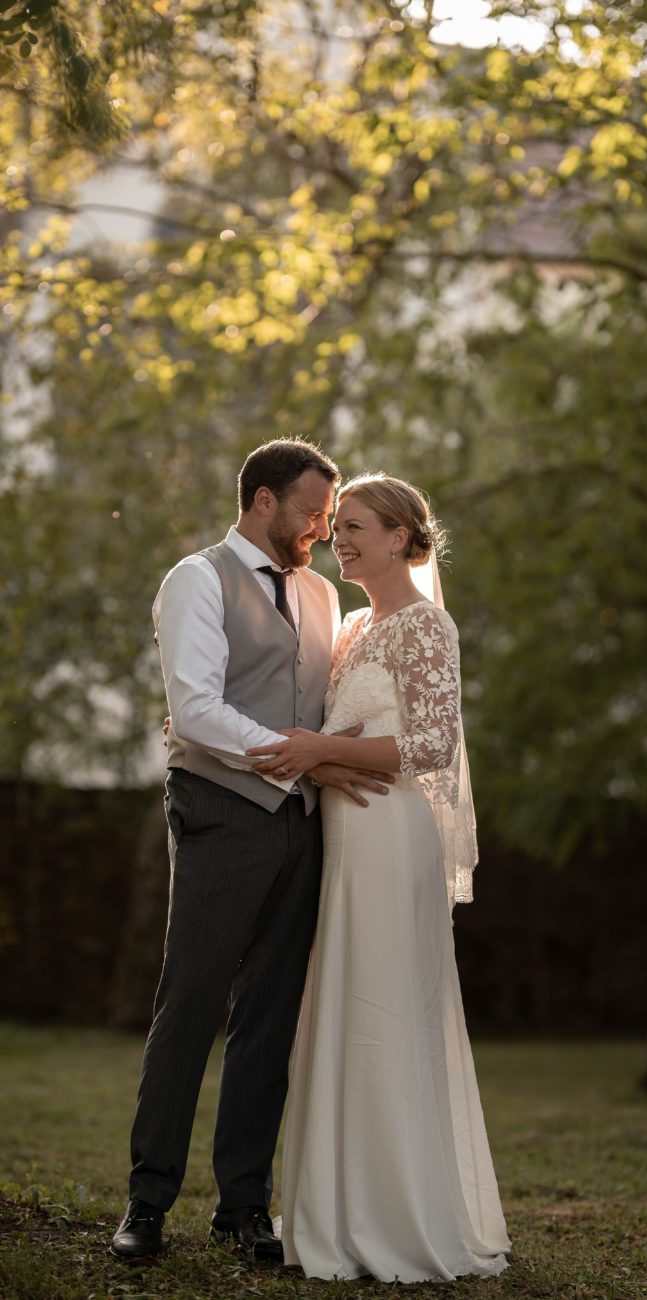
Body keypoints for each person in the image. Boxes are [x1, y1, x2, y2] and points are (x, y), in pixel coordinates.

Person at [110, 440, 395, 1265]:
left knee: (270, 1019)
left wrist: (325, 763)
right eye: (310, 512)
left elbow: (326, 712)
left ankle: (243, 1206)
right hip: (220, 813)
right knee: (190, 1005)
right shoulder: (196, 578)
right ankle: (147, 1200)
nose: (320, 528)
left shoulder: (315, 593)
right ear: (262, 501)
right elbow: (195, 710)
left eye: (327, 515)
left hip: (305, 824)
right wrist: (294, 753)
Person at [248, 473, 511, 1283]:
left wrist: (317, 749)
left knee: (387, 1006)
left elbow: (430, 747)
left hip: (395, 844)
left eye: (356, 526)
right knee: (343, 1005)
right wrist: (317, 757)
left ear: (401, 537)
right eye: (337, 529)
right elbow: (334, 739)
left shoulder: (427, 627)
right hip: (346, 841)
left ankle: (399, 1218)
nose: (340, 540)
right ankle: (339, 1210)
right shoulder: (355, 624)